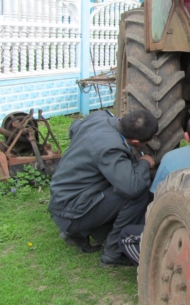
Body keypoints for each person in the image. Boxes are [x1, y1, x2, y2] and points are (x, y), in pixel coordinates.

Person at [118, 112, 190, 265]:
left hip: (182, 227)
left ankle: (161, 266)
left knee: (126, 236)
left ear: (186, 137)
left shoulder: (170, 157)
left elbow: (156, 196)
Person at [48, 109, 157, 268]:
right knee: (139, 191)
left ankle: (77, 232)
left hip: (62, 197)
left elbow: (74, 128)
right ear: (134, 142)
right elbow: (132, 187)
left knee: (125, 180)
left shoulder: (100, 117)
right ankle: (114, 253)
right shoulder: (111, 148)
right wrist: (144, 163)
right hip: (71, 210)